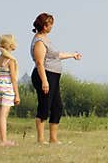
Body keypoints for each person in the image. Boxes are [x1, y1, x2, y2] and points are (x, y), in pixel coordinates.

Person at [30, 12, 82, 144]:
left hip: (53, 76)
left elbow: (57, 55)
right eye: (50, 24)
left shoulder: (46, 39)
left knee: (57, 106)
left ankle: (53, 139)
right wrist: (45, 81)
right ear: (44, 25)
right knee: (44, 106)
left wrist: (72, 55)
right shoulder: (39, 41)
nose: (52, 26)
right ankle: (40, 140)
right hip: (44, 75)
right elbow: (40, 62)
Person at [0, 34, 20, 146]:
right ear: (10, 45)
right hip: (8, 87)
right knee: (4, 115)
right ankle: (4, 141)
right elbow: (13, 79)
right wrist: (17, 95)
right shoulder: (11, 60)